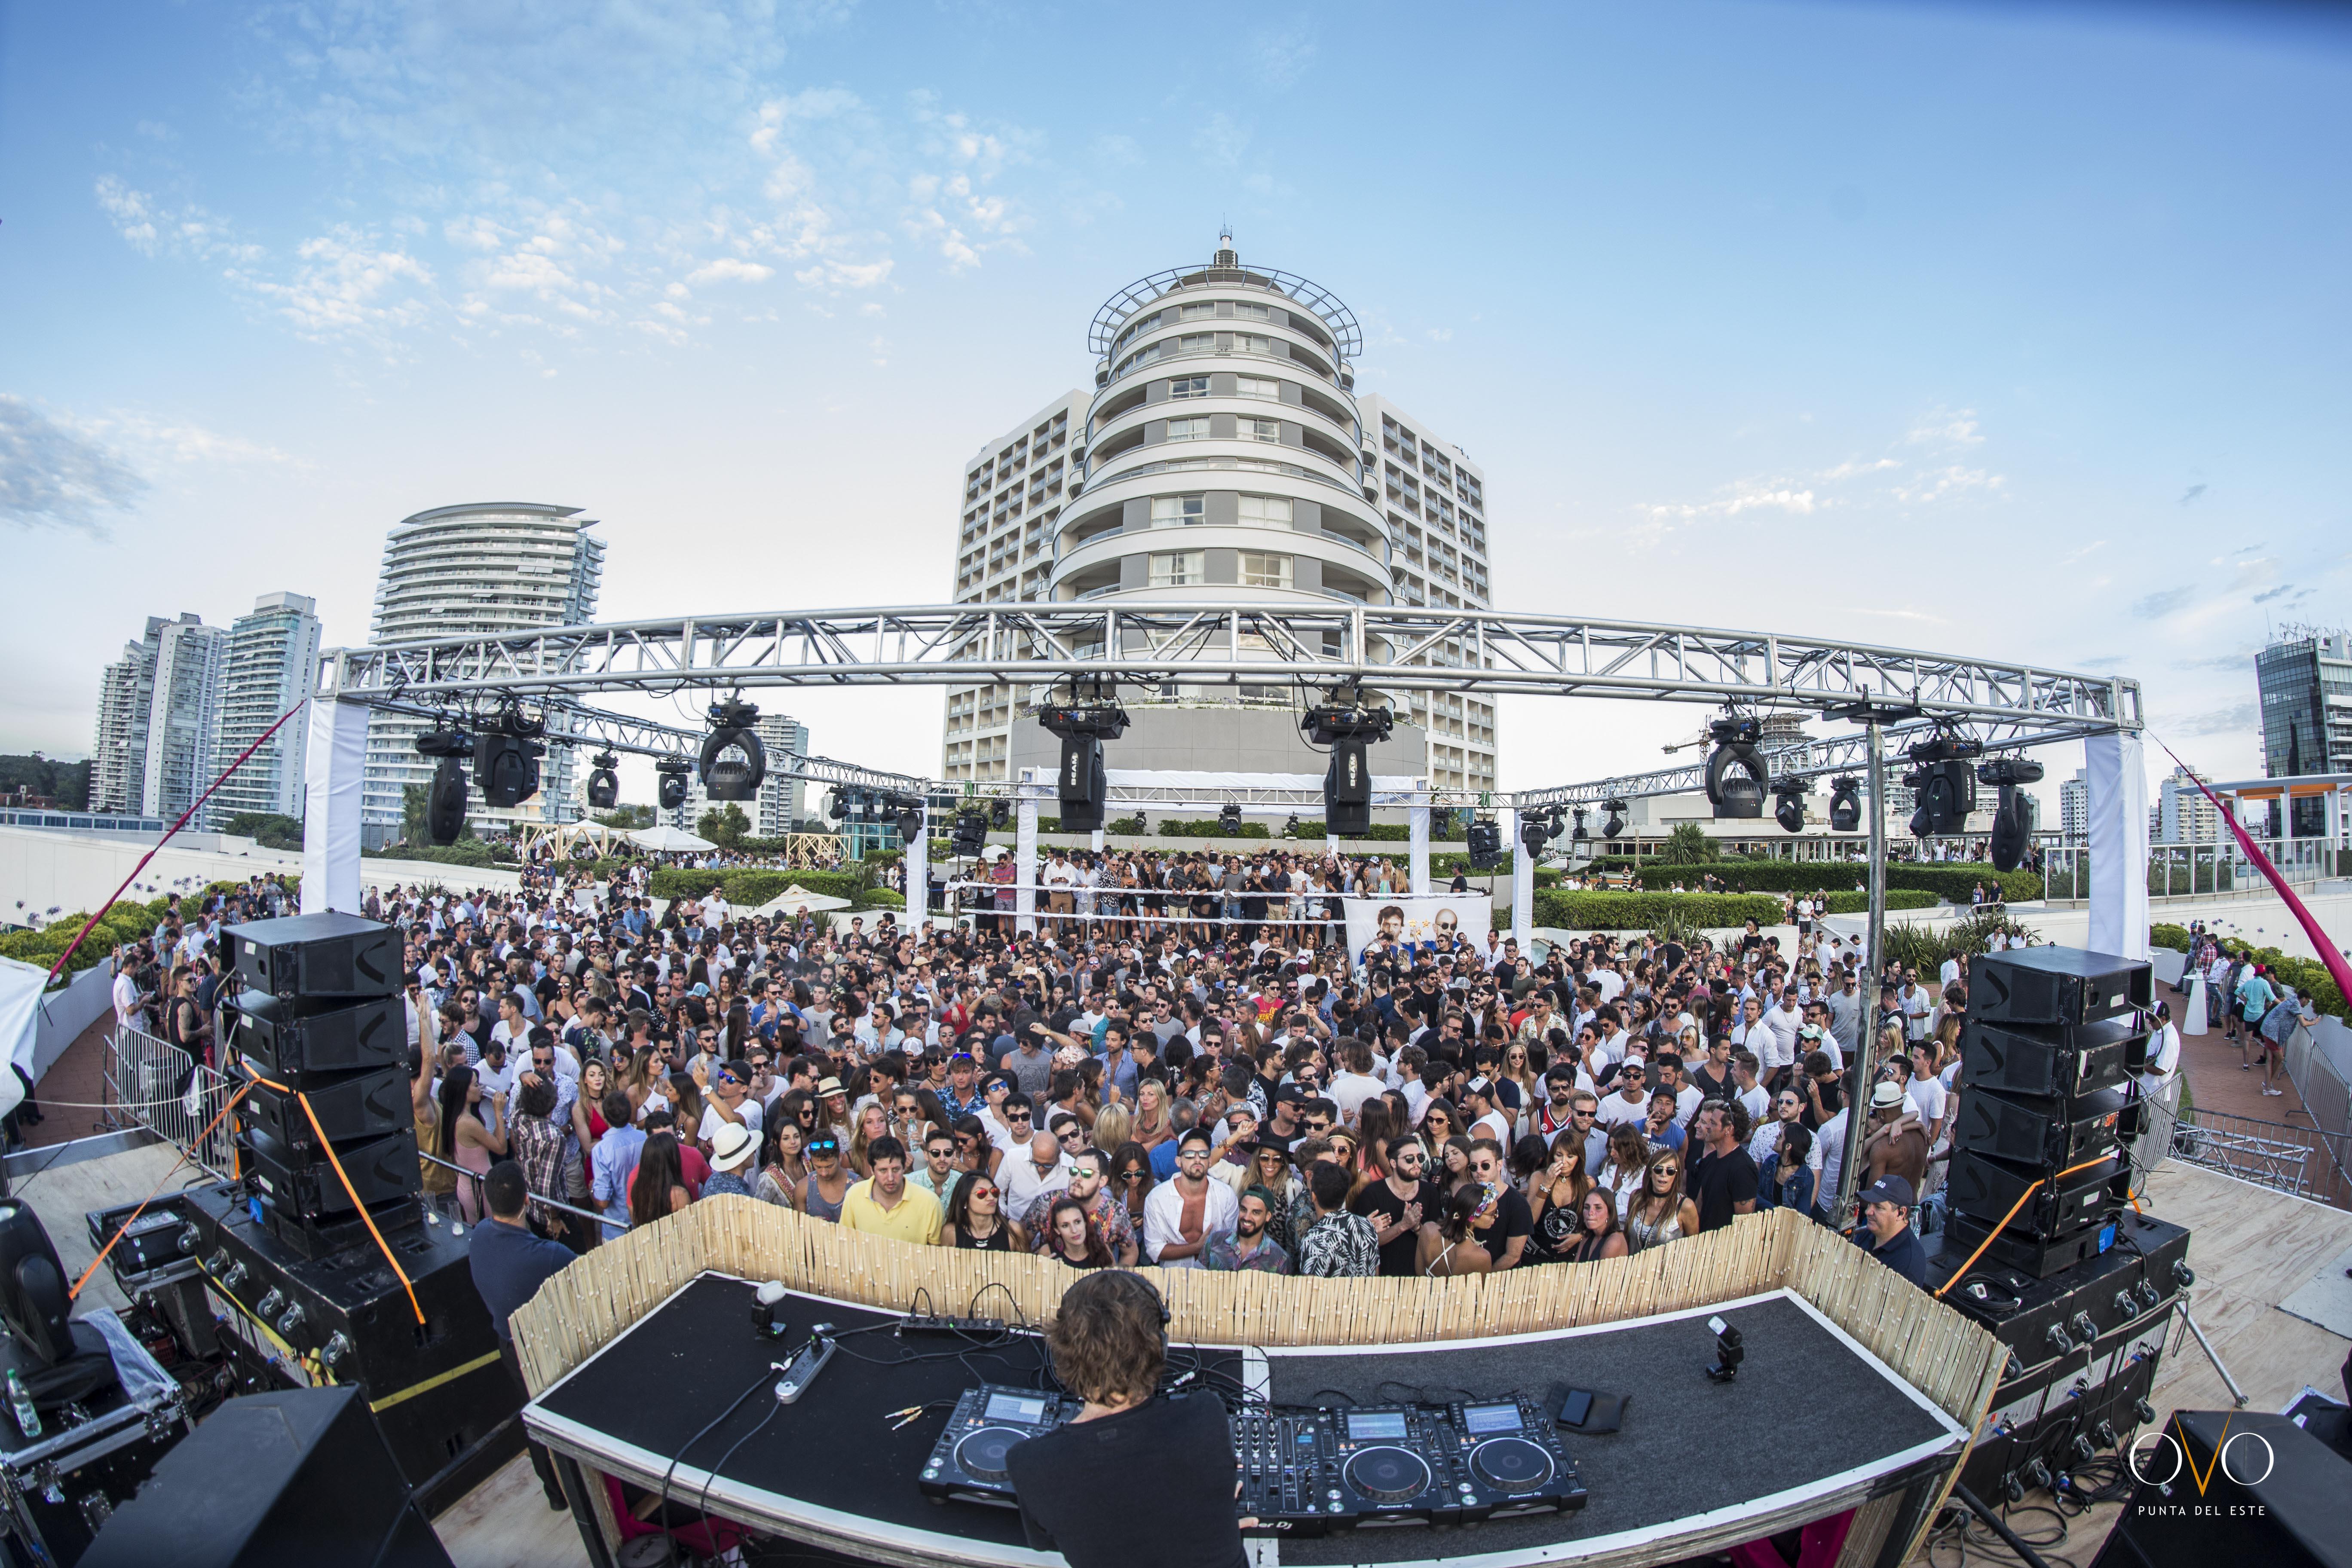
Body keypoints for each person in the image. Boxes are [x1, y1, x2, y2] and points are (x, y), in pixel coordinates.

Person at [1003, 1272, 1249, 1568]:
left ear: (1062, 1359)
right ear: (1160, 1346)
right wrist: (1214, 1515)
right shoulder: (1206, 1416)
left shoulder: (1030, 1466)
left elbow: (1049, 1540)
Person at [467, 1161, 576, 1513]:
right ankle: (578, 1492)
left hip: (509, 1347)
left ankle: (556, 1494)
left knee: (533, 1420)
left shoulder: (480, 1234)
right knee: (561, 1422)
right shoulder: (549, 1256)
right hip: (544, 1350)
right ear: (528, 1200)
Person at [1141, 1127, 1238, 1269]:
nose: (1198, 1160)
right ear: (1178, 1161)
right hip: (1171, 1282)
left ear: (1210, 1161)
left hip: (1215, 1283)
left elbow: (1233, 1244)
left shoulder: (1226, 1195)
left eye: (1204, 1154)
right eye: (1190, 1155)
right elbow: (1154, 1249)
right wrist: (1197, 1248)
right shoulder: (1157, 1198)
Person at [1347, 1135, 1428, 1277]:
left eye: (1420, 1158)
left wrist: (1418, 1229)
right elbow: (1364, 1244)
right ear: (1393, 1163)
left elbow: (1434, 1245)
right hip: (1383, 1282)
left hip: (1420, 1284)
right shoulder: (1372, 1195)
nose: (1417, 1163)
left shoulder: (1430, 1192)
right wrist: (1403, 1226)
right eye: (1410, 1159)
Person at [841, 1135, 945, 1243]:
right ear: (872, 1170)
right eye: (883, 1171)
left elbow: (936, 1254)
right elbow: (845, 1242)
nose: (890, 1178)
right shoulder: (854, 1195)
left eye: (896, 1170)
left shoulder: (930, 1203)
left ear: (904, 1167)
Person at [1293, 1159, 1381, 1277]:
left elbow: (1310, 1291)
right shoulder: (1366, 1226)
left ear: (1314, 1196)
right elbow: (1376, 1274)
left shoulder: (1314, 1239)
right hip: (1365, 1296)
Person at [1851, 1174, 1927, 1286]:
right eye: (1869, 1204)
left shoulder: (1909, 1264)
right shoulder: (1870, 1231)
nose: (1868, 1212)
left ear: (1901, 1213)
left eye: (1878, 1207)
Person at [1623, 1147, 1697, 1253]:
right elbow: (1626, 1239)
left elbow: (1693, 1249)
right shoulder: (1636, 1197)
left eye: (1670, 1171)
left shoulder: (1686, 1206)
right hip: (1633, 1268)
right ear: (1650, 1172)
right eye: (1659, 1169)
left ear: (1676, 1176)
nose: (1664, 1174)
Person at [1203, 1186, 1292, 1273]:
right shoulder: (1215, 1240)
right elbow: (1197, 1279)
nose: (1247, 1217)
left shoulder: (1280, 1259)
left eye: (1256, 1213)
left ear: (1268, 1216)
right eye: (1244, 1210)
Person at [1415, 1186, 1494, 1277]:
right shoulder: (1481, 1256)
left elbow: (1420, 1275)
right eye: (1492, 1214)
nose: (1497, 1216)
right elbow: (1481, 1290)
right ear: (1472, 1217)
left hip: (1425, 1290)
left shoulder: (1428, 1230)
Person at [937, 1170, 1026, 1251]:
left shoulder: (1013, 1230)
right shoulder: (950, 1232)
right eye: (982, 1194)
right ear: (965, 1201)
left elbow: (1026, 1266)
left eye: (994, 1192)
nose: (991, 1198)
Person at [628, 1130, 691, 1226]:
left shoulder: (637, 1188)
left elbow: (635, 1221)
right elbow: (688, 1227)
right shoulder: (679, 1195)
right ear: (673, 1158)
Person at [1557, 1187, 1629, 1263]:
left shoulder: (1615, 1241)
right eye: (1587, 1207)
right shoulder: (1587, 1235)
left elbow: (1599, 1274)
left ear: (1609, 1213)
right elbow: (1576, 1267)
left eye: (1598, 1208)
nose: (1590, 1213)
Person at [1044, 1195, 1115, 1269]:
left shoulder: (1103, 1250)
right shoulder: (1048, 1252)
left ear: (1085, 1222)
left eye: (1078, 1222)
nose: (1074, 1230)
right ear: (1057, 1230)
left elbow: (1115, 1279)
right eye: (1065, 1226)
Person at [702, 1121, 760, 1200]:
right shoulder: (739, 1196)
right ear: (743, 1158)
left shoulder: (713, 1180)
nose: (755, 1152)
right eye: (752, 1150)